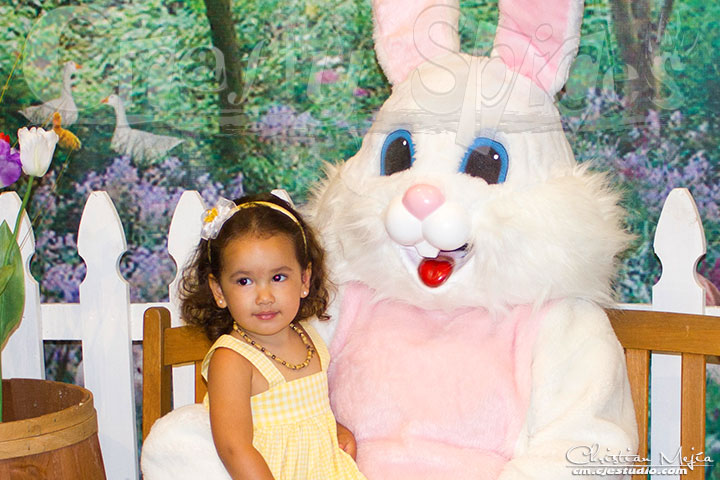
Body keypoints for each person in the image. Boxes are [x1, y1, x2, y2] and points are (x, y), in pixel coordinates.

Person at [179, 191, 366, 480]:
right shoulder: (232, 360)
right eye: (244, 281)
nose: (264, 296)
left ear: (304, 280)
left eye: (278, 277)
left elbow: (312, 415)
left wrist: (335, 430)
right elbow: (233, 448)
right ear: (219, 291)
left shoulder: (309, 338)